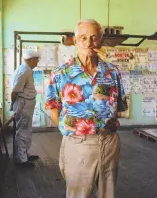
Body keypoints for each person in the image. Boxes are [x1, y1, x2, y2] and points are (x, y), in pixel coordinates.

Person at [46, 19, 128, 198]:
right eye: (83, 38)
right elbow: (53, 108)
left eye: (94, 37)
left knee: (108, 193)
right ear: (75, 41)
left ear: (101, 40)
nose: (89, 43)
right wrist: (72, 132)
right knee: (78, 194)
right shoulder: (61, 74)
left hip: (109, 143)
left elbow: (119, 106)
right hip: (78, 143)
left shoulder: (112, 72)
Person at [10, 50, 40, 167]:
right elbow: (14, 91)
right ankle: (21, 159)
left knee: (26, 130)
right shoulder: (23, 71)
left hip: (27, 104)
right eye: (36, 59)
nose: (37, 62)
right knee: (22, 131)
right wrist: (13, 105)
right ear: (31, 59)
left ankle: (24, 154)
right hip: (23, 105)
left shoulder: (27, 70)